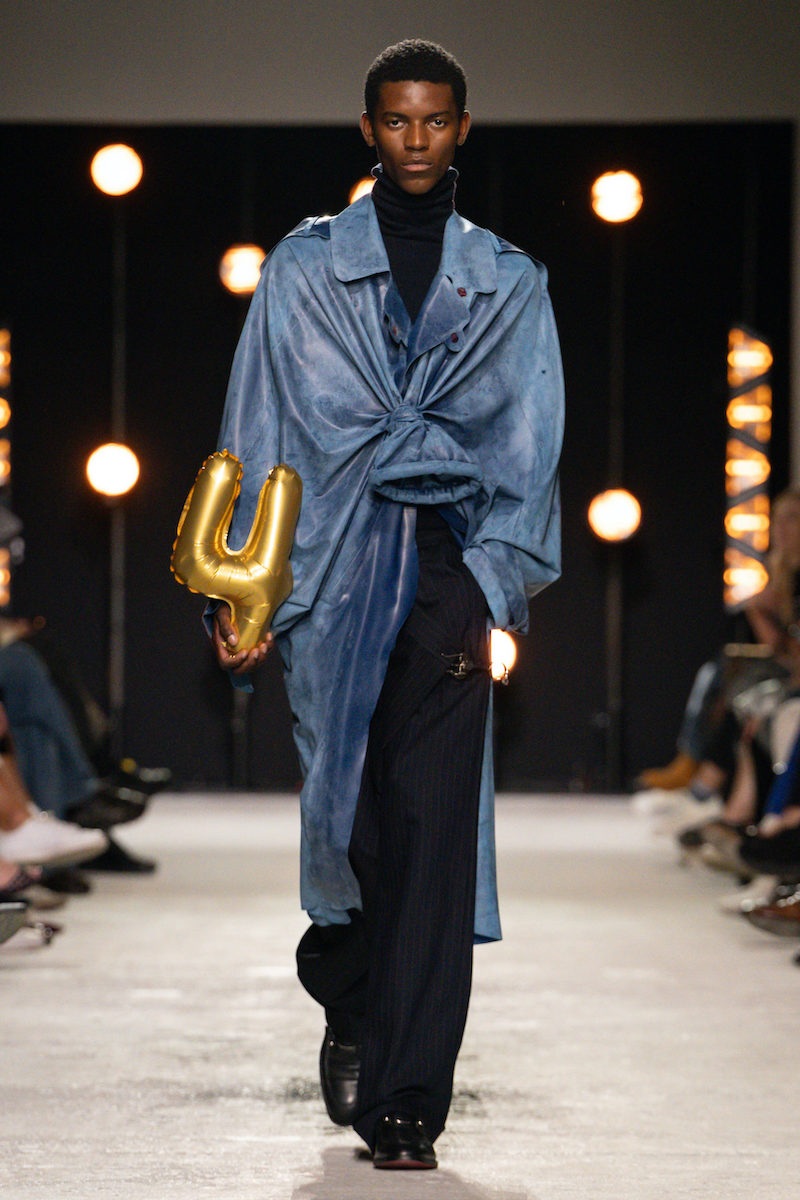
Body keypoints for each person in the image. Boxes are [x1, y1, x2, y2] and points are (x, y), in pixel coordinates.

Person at [208, 39, 563, 1169]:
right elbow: (257, 424)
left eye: (435, 119)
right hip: (329, 575)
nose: (416, 139)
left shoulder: (507, 281)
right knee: (349, 830)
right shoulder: (305, 269)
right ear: (368, 129)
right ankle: (351, 1000)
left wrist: (494, 582)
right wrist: (242, 590)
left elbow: (530, 448)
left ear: (463, 128)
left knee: (431, 835)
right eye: (396, 120)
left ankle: (409, 1102)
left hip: (450, 575)